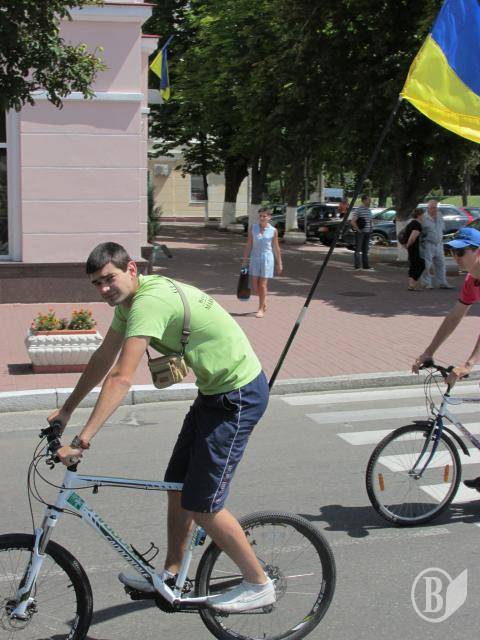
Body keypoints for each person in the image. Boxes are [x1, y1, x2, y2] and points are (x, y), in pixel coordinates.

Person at [49, 242, 275, 612]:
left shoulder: (148, 303)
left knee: (203, 504)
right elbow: (103, 357)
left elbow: (121, 377)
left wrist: (82, 440)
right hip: (214, 394)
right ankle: (171, 574)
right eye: (96, 283)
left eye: (109, 278)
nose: (104, 288)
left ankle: (258, 583)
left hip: (239, 396)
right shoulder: (129, 304)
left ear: (131, 269)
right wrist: (66, 410)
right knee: (177, 485)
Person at [412, 226, 480, 490]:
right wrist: (429, 351)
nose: (456, 257)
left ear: (477, 251)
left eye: (461, 252)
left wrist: (470, 363)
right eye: (452, 252)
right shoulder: (471, 281)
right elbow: (454, 317)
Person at [242, 207, 283, 318]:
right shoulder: (253, 228)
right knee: (255, 285)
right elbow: (249, 244)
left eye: (264, 216)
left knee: (262, 284)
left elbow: (276, 247)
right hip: (255, 257)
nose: (262, 218)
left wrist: (279, 263)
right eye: (260, 216)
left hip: (267, 258)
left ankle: (260, 308)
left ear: (269, 217)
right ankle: (263, 302)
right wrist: (245, 259)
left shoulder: (273, 230)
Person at [420, 199, 453, 289]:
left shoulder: (439, 215)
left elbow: (442, 228)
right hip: (428, 244)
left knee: (441, 264)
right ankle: (426, 283)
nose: (435, 209)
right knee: (426, 265)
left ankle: (442, 282)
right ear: (428, 208)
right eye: (433, 207)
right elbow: (420, 231)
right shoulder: (424, 217)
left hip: (439, 244)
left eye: (436, 207)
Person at [404, 208, 426, 291]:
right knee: (421, 265)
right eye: (423, 214)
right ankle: (412, 284)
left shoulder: (411, 223)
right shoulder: (417, 225)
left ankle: (411, 285)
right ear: (419, 215)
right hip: (415, 248)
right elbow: (412, 238)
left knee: (413, 265)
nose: (424, 216)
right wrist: (408, 245)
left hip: (412, 248)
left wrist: (407, 246)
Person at [351, 194, 373, 271]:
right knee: (358, 249)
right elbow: (353, 221)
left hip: (368, 232)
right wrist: (358, 230)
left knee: (365, 250)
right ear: (364, 200)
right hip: (361, 233)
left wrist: (371, 228)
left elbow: (370, 220)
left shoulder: (369, 210)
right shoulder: (359, 209)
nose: (370, 201)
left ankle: (366, 265)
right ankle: (357, 266)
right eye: (369, 200)